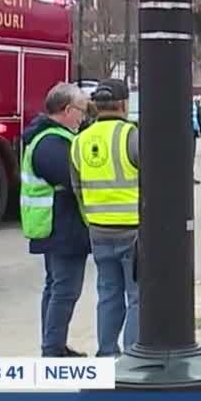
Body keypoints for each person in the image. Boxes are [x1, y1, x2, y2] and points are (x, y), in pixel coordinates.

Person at [70, 79, 141, 358]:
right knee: (137, 297)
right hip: (133, 230)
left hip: (98, 230)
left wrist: (91, 220)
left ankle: (107, 354)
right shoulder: (131, 136)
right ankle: (134, 356)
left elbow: (78, 189)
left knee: (108, 294)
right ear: (124, 104)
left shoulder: (79, 140)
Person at [20, 82, 91, 358]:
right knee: (64, 289)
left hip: (56, 224)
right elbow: (72, 179)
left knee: (56, 287)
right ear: (67, 109)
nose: (83, 118)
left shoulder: (50, 137)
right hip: (61, 227)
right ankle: (52, 350)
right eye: (82, 111)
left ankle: (54, 345)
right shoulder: (51, 143)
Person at [191, 98, 201, 185]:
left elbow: (196, 117)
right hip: (191, 132)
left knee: (190, 157)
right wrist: (198, 130)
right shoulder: (191, 104)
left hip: (192, 133)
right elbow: (194, 119)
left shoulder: (193, 103)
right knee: (189, 156)